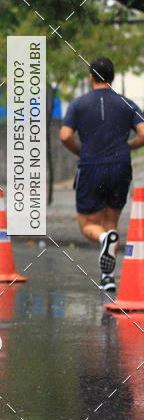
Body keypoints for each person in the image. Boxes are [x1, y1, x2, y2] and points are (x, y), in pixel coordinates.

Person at [60, 56, 144, 290]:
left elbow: (65, 135)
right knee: (111, 220)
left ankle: (102, 240)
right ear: (113, 77)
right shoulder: (126, 103)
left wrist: (80, 150)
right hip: (120, 166)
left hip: (91, 166)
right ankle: (107, 277)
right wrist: (128, 146)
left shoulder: (78, 104)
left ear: (90, 77)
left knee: (88, 224)